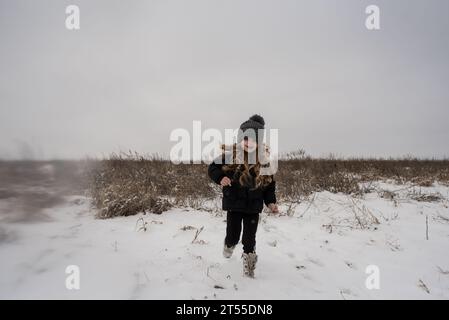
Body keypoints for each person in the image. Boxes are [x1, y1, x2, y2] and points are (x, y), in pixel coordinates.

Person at [208, 114, 279, 278]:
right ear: (241, 139)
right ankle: (229, 244)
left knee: (249, 239)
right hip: (234, 204)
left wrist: (271, 203)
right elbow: (212, 168)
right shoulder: (231, 156)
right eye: (246, 139)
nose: (249, 143)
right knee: (233, 235)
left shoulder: (264, 161)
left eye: (253, 140)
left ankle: (249, 262)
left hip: (253, 207)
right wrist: (220, 178)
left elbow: (269, 185)